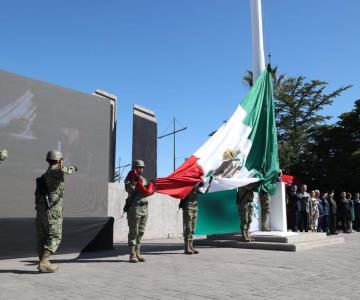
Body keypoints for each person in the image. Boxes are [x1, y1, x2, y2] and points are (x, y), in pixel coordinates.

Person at [35, 150, 78, 273]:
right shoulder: (55, 171)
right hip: (52, 211)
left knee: (43, 237)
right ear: (59, 160)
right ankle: (44, 262)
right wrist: (74, 168)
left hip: (42, 211)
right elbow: (64, 170)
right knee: (55, 236)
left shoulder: (44, 175)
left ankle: (43, 262)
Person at [124, 160, 155, 263]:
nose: (141, 169)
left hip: (144, 208)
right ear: (135, 168)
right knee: (134, 231)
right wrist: (135, 182)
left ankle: (138, 252)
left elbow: (147, 192)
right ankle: (132, 254)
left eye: (142, 167)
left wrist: (152, 185)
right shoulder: (130, 178)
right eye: (139, 167)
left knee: (141, 232)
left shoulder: (144, 179)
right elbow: (130, 190)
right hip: (135, 208)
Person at [179, 182, 203, 254]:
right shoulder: (187, 184)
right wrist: (196, 184)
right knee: (188, 227)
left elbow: (202, 192)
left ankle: (191, 246)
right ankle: (187, 248)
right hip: (188, 207)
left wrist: (208, 183)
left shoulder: (198, 184)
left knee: (193, 228)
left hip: (195, 207)